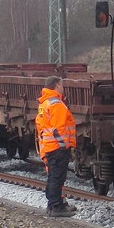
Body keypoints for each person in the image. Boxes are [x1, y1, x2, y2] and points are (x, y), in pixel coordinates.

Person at [36, 75, 77, 217]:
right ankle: (56, 207)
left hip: (49, 146)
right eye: (62, 85)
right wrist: (64, 147)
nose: (63, 88)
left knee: (54, 176)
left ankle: (56, 204)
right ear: (57, 86)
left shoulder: (45, 103)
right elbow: (58, 129)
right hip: (57, 148)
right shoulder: (56, 104)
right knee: (57, 177)